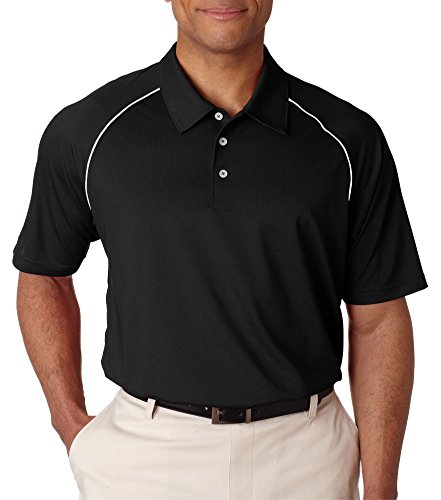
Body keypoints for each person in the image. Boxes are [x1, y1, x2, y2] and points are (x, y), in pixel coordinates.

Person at [13, 1, 428, 499]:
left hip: (307, 457)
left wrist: (381, 489)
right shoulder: (89, 131)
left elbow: (379, 318)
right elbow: (45, 272)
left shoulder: (347, 140)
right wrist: (68, 421)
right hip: (143, 458)